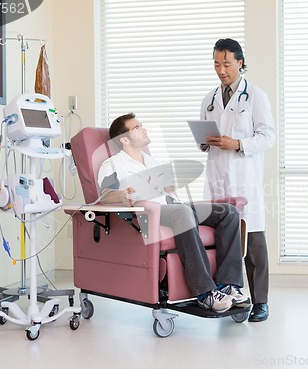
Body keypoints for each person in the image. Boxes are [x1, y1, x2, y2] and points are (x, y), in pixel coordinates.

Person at [97, 113, 250, 313]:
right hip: (150, 212)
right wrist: (122, 196)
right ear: (124, 139)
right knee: (182, 212)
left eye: (141, 125)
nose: (144, 129)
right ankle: (205, 293)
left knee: (228, 212)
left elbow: (171, 193)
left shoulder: (153, 162)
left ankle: (228, 284)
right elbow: (105, 195)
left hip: (175, 207)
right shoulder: (113, 164)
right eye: (137, 128)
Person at [199, 38, 275, 322]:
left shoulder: (255, 96)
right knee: (223, 242)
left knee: (253, 243)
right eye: (216, 64)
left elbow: (268, 136)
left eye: (226, 64)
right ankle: (228, 294)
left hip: (244, 179)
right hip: (218, 179)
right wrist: (204, 143)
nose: (221, 70)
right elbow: (205, 138)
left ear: (240, 62)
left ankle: (261, 302)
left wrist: (238, 144)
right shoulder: (208, 99)